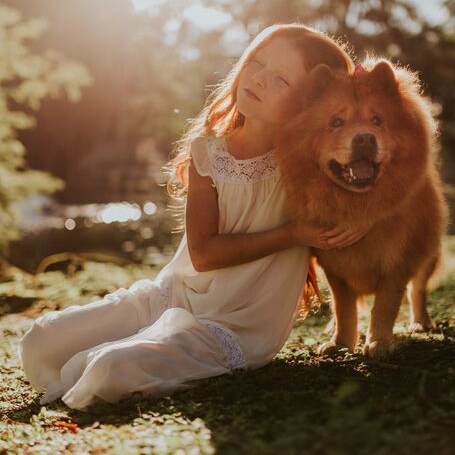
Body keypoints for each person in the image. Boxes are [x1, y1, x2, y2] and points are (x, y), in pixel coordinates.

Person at [17, 23, 371, 411]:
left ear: (311, 103)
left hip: (237, 324)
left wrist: (361, 220)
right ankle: (116, 348)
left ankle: (116, 358)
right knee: (41, 341)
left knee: (108, 369)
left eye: (282, 79)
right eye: (257, 61)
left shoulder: (311, 164)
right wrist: (295, 234)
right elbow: (203, 255)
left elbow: (376, 190)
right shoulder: (208, 151)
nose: (260, 79)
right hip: (175, 295)